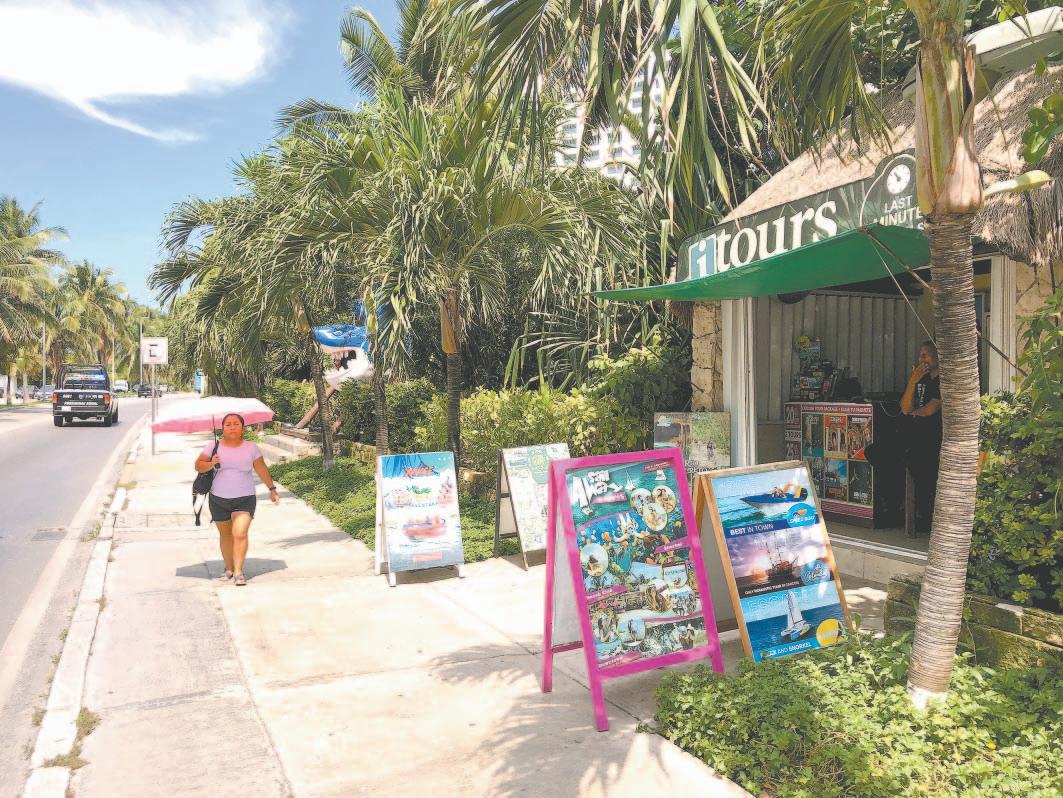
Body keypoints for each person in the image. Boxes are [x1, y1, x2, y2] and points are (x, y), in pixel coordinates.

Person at [194, 413, 279, 586]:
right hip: (218, 498)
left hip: (244, 498)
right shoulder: (213, 446)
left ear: (242, 428)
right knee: (225, 535)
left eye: (236, 424)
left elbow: (261, 468)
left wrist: (272, 489)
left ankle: (239, 571)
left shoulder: (251, 448)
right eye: (228, 424)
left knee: (239, 533)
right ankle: (229, 568)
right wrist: (211, 463)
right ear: (222, 428)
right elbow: (198, 465)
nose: (232, 427)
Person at [899, 340, 942, 532]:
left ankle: (925, 514)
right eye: (919, 356)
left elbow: (929, 410)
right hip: (915, 435)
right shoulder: (921, 379)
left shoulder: (943, 380)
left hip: (934, 435)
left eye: (925, 355)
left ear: (937, 356)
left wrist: (912, 413)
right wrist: (912, 381)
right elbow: (905, 407)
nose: (921, 360)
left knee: (922, 467)